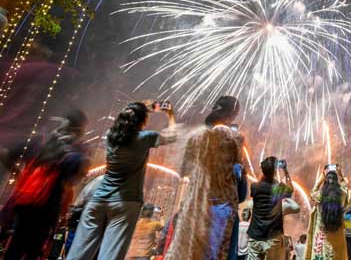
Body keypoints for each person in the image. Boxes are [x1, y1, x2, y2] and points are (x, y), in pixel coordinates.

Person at [67, 101, 178, 260]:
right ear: (143, 121)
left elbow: (128, 119)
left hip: (97, 200)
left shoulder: (112, 137)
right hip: (125, 203)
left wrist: (140, 108)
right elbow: (172, 136)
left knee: (78, 254)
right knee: (110, 255)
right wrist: (170, 114)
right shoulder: (145, 138)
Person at [1, 110, 89, 260]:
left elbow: (4, 153)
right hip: (47, 207)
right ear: (79, 128)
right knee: (34, 251)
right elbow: (72, 181)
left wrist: (18, 174)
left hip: (25, 203)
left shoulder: (41, 140)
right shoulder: (76, 150)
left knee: (16, 246)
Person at [166, 96, 245, 260]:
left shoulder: (194, 137)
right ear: (232, 115)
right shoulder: (235, 139)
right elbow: (241, 188)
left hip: (195, 207)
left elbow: (184, 171)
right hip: (222, 209)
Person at [248, 156, 294, 260]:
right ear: (274, 171)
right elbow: (291, 189)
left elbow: (261, 183)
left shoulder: (255, 187)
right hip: (273, 238)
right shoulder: (277, 188)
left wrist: (266, 171)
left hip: (255, 236)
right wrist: (286, 171)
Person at [305, 165, 351, 260]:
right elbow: (348, 198)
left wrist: (320, 179)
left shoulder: (321, 195)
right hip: (337, 236)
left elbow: (312, 193)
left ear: (326, 181)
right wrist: (341, 177)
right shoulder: (342, 195)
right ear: (336, 181)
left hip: (321, 235)